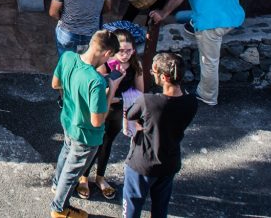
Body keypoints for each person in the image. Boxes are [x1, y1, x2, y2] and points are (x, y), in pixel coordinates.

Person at [50, 30, 121, 218]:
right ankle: (59, 209)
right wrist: (111, 89)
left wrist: (75, 90)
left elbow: (55, 84)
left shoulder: (67, 57)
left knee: (66, 152)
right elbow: (97, 121)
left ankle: (56, 185)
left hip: (67, 120)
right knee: (73, 171)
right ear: (106, 54)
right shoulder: (96, 82)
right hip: (86, 135)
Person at [122, 52, 198, 218]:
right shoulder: (191, 102)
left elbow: (129, 115)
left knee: (132, 206)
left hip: (142, 163)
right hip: (169, 162)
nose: (152, 74)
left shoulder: (148, 101)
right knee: (160, 208)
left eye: (154, 73)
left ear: (164, 77)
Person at [76, 29, 145, 201]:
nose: (125, 55)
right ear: (113, 51)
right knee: (93, 145)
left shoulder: (136, 65)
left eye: (129, 51)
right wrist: (119, 96)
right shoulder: (105, 65)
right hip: (102, 112)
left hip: (119, 114)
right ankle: (83, 177)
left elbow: (141, 91)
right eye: (121, 51)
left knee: (107, 145)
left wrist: (120, 99)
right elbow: (98, 95)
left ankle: (100, 177)